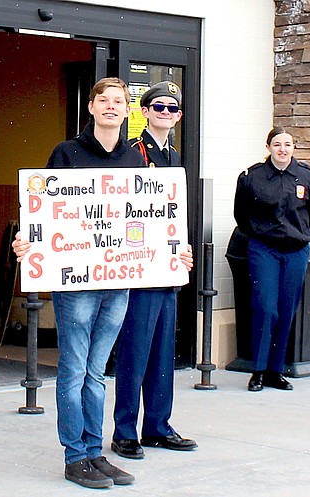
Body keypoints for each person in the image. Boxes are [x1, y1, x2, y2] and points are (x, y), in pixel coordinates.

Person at [12, 77, 144, 489]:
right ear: (90, 107)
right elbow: (44, 211)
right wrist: (26, 240)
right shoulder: (66, 154)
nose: (110, 106)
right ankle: (75, 456)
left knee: (98, 372)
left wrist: (174, 252)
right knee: (74, 370)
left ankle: (95, 451)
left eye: (118, 101)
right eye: (102, 100)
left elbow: (149, 216)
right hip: (76, 282)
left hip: (117, 279)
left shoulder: (134, 160)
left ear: (127, 110)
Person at [111, 81, 197, 461]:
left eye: (172, 108)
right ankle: (125, 430)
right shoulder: (133, 153)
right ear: (143, 112)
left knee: (163, 351)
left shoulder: (174, 156)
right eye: (158, 106)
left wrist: (183, 248)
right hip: (139, 267)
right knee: (136, 351)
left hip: (168, 267)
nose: (165, 113)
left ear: (178, 116)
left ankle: (158, 426)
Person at [234, 127, 310, 392]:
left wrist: (303, 233)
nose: (282, 149)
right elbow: (242, 213)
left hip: (295, 250)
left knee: (286, 309)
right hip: (264, 250)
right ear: (268, 147)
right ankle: (259, 370)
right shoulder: (253, 177)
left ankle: (276, 370)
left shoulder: (307, 176)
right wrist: (259, 236)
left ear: (293, 147)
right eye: (277, 144)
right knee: (265, 307)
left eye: (287, 144)